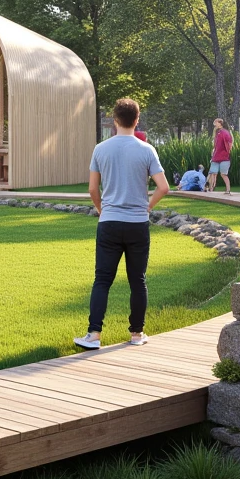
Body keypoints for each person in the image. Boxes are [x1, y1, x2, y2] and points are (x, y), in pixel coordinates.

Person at [74, 98, 168, 352]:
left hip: (110, 222)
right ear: (136, 120)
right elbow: (164, 187)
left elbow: (93, 188)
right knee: (138, 280)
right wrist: (146, 207)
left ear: (114, 121)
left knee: (102, 279)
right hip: (138, 223)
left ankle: (94, 334)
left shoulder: (101, 149)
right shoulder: (146, 150)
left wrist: (102, 210)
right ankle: (137, 333)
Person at [207, 118, 233, 193]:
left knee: (223, 174)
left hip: (224, 157)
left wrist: (228, 151)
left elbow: (229, 142)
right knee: (212, 173)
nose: (214, 123)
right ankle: (211, 189)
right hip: (216, 157)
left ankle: (228, 189)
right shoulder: (217, 132)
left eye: (216, 122)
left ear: (220, 123)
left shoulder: (224, 132)